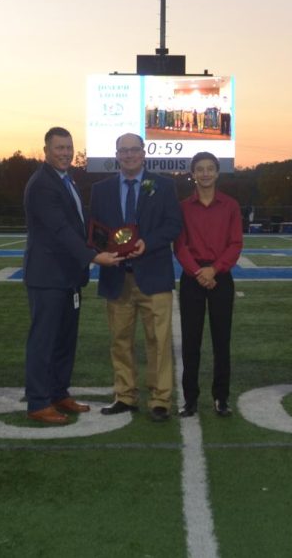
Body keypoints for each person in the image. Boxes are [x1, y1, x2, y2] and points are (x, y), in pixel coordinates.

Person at [22, 127, 122, 424]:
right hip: (48, 277)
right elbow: (60, 230)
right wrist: (94, 256)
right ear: (46, 150)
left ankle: (58, 393)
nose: (65, 153)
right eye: (59, 148)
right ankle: (39, 401)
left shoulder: (67, 180)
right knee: (44, 340)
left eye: (68, 147)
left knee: (65, 340)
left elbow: (80, 225)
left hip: (68, 277)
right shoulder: (42, 184)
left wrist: (106, 240)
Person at [91, 132, 183, 422]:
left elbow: (174, 225)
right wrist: (103, 251)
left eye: (134, 150)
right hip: (117, 276)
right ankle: (125, 396)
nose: (129, 155)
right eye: (123, 150)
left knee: (159, 341)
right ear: (116, 154)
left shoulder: (164, 185)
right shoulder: (100, 190)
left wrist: (149, 243)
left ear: (144, 153)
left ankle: (160, 399)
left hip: (154, 275)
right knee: (120, 340)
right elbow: (95, 231)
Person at [174, 151, 242, 417]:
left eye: (209, 169)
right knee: (190, 342)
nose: (204, 173)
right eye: (199, 169)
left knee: (221, 341)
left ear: (217, 172)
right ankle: (190, 398)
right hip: (192, 279)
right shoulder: (183, 207)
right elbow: (179, 245)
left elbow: (235, 243)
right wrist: (197, 272)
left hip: (220, 278)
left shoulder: (231, 206)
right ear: (193, 173)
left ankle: (221, 397)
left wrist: (214, 270)